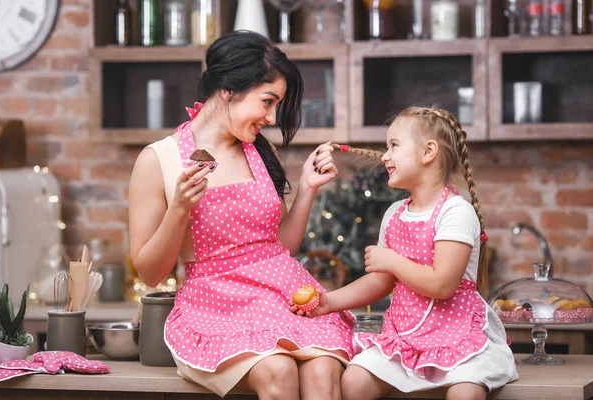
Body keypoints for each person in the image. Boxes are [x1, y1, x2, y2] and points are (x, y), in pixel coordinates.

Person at [128, 30, 354, 399]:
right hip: (215, 306)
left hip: (281, 298)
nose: (270, 116)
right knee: (278, 370)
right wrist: (180, 209)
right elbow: (151, 273)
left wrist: (308, 188)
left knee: (324, 367)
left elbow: (279, 247)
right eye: (267, 101)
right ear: (229, 89)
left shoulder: (261, 153)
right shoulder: (159, 161)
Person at [291, 106, 518, 400]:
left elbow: (443, 284)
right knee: (353, 383)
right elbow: (379, 283)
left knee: (465, 392)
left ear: (428, 152)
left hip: (457, 337)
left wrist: (393, 262)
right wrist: (328, 301)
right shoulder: (395, 213)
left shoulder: (456, 213)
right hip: (405, 339)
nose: (385, 156)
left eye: (394, 146)